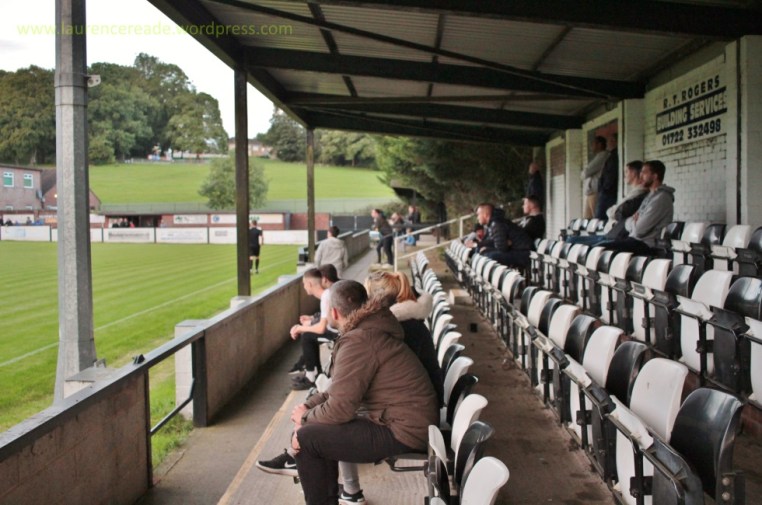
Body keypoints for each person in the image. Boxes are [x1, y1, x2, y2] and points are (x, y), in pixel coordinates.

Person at [291, 280, 438, 505]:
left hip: (405, 429)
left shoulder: (360, 340)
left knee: (308, 438)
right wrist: (307, 407)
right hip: (407, 421)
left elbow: (340, 409)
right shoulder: (368, 331)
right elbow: (338, 390)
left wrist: (304, 419)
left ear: (333, 312)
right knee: (312, 431)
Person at [597, 160, 675, 255]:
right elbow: (631, 223)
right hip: (635, 240)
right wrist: (634, 221)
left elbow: (639, 230)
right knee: (597, 247)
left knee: (600, 249)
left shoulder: (661, 198)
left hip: (647, 245)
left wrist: (634, 222)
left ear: (655, 176)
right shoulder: (651, 195)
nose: (641, 176)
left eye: (644, 173)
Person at [566, 161, 648, 246]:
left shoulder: (639, 193)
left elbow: (619, 212)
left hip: (616, 236)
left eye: (627, 171)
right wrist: (613, 211)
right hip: (611, 233)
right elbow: (614, 211)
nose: (625, 175)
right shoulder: (633, 192)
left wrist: (613, 211)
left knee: (571, 240)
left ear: (633, 173)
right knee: (570, 239)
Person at [289, 269, 337, 390]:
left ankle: (311, 376)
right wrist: (311, 319)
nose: (304, 287)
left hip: (338, 333)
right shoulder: (327, 294)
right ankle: (314, 372)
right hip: (339, 330)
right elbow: (325, 319)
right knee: (309, 334)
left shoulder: (325, 296)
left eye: (304, 284)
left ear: (309, 284)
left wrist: (300, 328)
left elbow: (321, 328)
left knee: (307, 336)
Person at [466, 203, 534, 269]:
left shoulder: (497, 224)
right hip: (517, 251)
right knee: (481, 250)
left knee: (488, 255)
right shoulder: (494, 223)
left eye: (478, 214)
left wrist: (487, 249)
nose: (477, 218)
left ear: (485, 214)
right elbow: (494, 242)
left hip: (524, 253)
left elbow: (502, 248)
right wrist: (477, 244)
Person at [582, 136, 608, 219]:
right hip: (590, 192)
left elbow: (586, 173)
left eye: (593, 144)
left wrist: (583, 173)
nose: (591, 146)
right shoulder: (598, 156)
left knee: (596, 219)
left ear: (599, 144)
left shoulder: (603, 155)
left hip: (595, 191)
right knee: (587, 219)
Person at [596, 134, 619, 220]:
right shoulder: (611, 155)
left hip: (608, 193)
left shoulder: (614, 156)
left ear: (614, 142)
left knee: (600, 218)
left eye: (609, 141)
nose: (607, 144)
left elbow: (611, 173)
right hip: (607, 192)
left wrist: (604, 189)